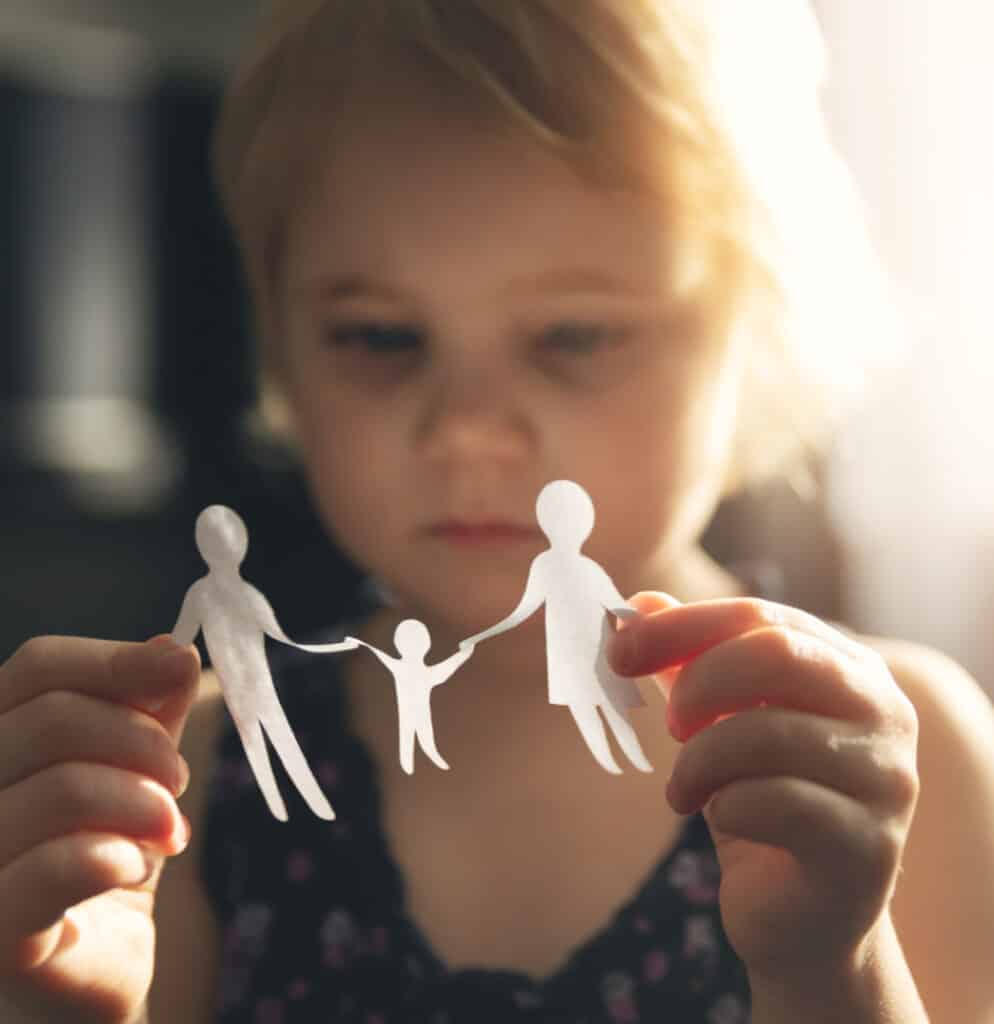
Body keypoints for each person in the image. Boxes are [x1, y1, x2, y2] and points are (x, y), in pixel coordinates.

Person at [1, 2, 993, 1022]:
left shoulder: (886, 756)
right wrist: (48, 1005)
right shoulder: (202, 776)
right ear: (282, 346)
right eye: (381, 336)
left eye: (573, 335)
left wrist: (833, 965)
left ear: (759, 329)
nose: (466, 429)